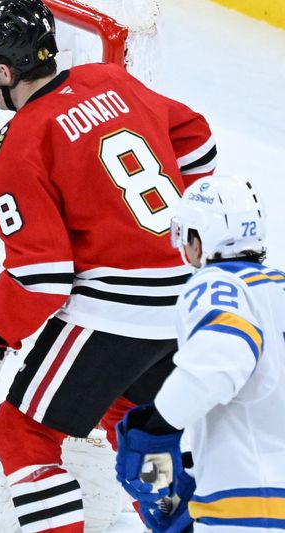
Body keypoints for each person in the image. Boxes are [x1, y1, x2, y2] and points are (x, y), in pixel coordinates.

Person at [0, 1, 217, 531]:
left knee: (20, 433)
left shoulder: (18, 145)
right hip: (185, 298)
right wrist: (171, 224)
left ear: (4, 71)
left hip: (116, 314)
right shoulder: (110, 79)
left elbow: (42, 278)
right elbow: (198, 141)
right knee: (131, 416)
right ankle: (180, 525)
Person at [116, 175, 283, 533]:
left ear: (198, 239)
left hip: (253, 509)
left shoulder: (218, 284)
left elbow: (220, 359)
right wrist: (199, 467)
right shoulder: (278, 289)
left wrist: (156, 430)